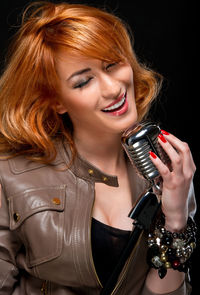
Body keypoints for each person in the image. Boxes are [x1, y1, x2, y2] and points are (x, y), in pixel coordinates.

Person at [0, 1, 196, 294]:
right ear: (57, 101)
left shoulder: (167, 170)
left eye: (112, 64)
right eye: (83, 81)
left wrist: (176, 218)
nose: (113, 89)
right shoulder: (9, 175)